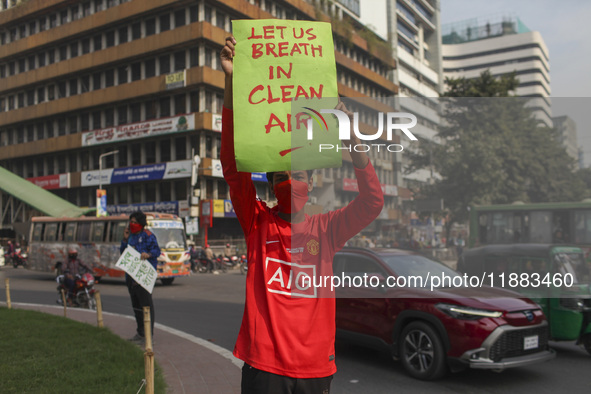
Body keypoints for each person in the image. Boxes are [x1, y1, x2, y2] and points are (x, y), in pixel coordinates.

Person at [220, 37, 384, 394]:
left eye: (296, 176)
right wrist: (231, 82)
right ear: (268, 183)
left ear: (312, 180)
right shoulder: (257, 221)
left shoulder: (328, 229)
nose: (288, 182)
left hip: (314, 369)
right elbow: (233, 168)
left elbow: (372, 201)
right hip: (264, 367)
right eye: (279, 177)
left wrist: (350, 134)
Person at [120, 211, 161, 344]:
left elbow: (157, 251)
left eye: (135, 222)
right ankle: (140, 333)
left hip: (144, 276)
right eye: (131, 222)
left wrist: (148, 254)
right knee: (136, 306)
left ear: (141, 224)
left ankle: (149, 336)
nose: (132, 224)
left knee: (146, 306)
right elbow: (123, 252)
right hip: (131, 277)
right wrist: (124, 239)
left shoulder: (148, 235)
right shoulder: (130, 236)